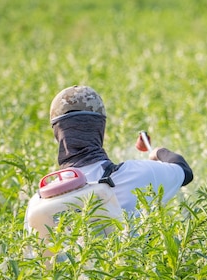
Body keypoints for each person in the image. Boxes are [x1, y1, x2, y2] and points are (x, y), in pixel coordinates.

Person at [28, 85, 193, 222]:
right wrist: (158, 152)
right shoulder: (139, 174)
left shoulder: (39, 201)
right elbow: (184, 171)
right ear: (100, 129)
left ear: (57, 134)